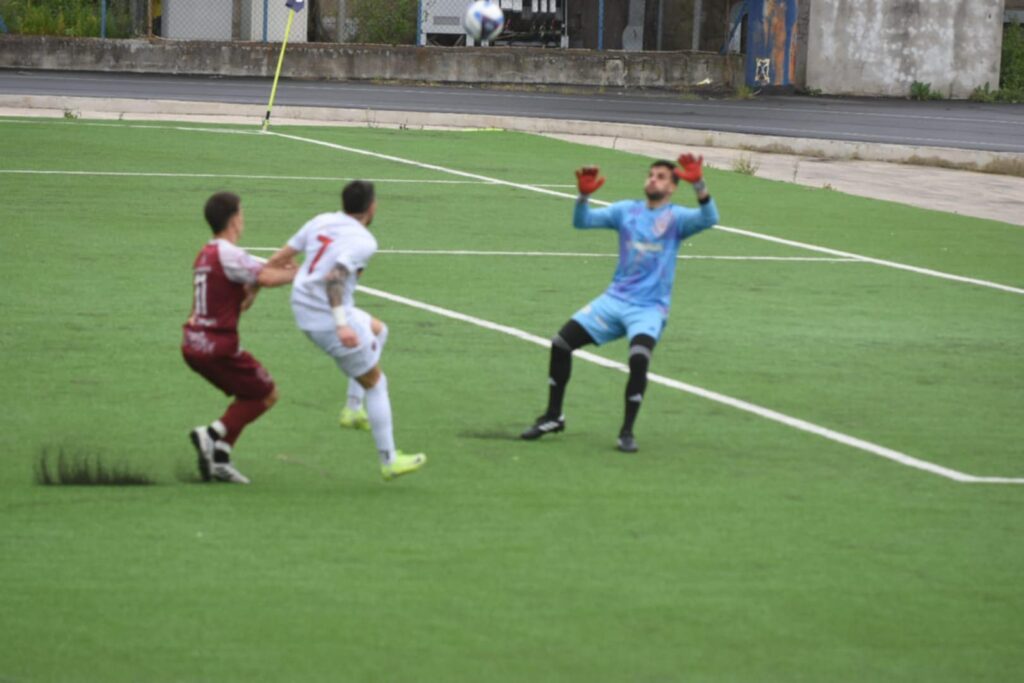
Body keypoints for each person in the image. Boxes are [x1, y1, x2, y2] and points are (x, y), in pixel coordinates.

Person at [521, 154, 720, 452]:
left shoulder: (677, 219)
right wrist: (583, 196)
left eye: (662, 176)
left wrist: (701, 186)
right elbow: (582, 221)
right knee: (560, 343)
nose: (653, 179)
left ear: (673, 188)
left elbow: (709, 218)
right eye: (651, 174)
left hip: (649, 309)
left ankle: (626, 432)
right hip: (614, 301)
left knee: (639, 358)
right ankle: (553, 416)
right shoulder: (627, 211)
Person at [265, 181, 426, 482]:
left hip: (304, 304)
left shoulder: (321, 220)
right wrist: (341, 324)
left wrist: (254, 283)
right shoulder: (364, 241)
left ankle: (353, 410)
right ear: (372, 207)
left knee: (379, 330)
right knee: (377, 384)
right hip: (326, 315)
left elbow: (281, 256)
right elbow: (334, 278)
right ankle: (389, 460)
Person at [183, 192, 296, 484]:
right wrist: (300, 273)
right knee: (266, 393)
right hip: (217, 346)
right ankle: (211, 435)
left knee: (247, 395)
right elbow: (268, 277)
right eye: (242, 213)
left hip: (193, 344)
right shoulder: (229, 253)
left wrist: (258, 283)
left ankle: (220, 458)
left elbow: (242, 301)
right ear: (234, 219)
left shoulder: (205, 254)